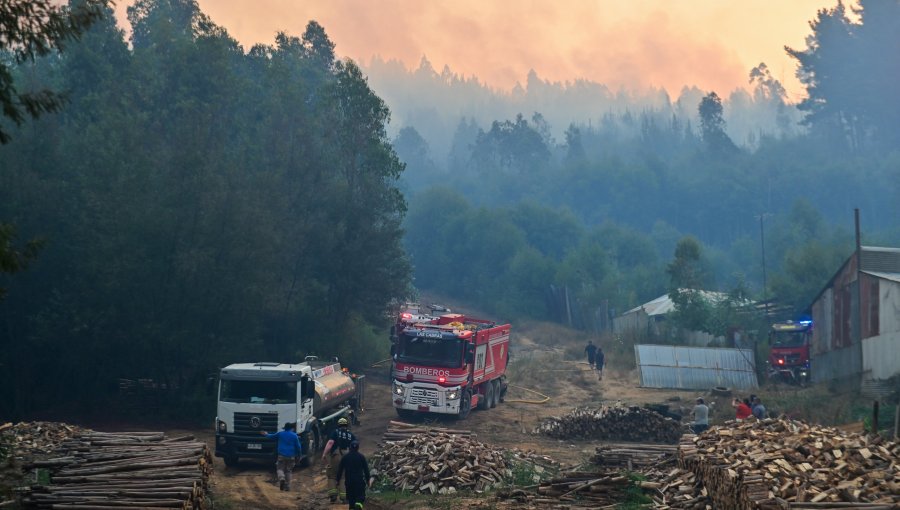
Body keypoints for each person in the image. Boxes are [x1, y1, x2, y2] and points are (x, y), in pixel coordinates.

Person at [259, 422, 303, 491]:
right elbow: (298, 447)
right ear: (291, 428)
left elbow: (271, 436)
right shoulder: (294, 435)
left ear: (285, 428)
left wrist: (266, 434)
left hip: (281, 455)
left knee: (280, 469)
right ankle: (287, 486)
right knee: (288, 471)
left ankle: (282, 478)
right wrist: (299, 455)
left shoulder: (280, 434)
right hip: (291, 456)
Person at [322, 416, 357, 502]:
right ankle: (344, 497)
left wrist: (324, 454)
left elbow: (330, 443)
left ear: (338, 425)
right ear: (346, 425)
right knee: (343, 476)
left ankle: (333, 496)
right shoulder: (351, 435)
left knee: (332, 475)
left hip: (337, 455)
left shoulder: (335, 432)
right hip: (347, 456)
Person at [336, 440, 373, 510]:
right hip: (359, 481)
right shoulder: (361, 457)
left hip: (349, 482)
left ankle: (353, 507)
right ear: (358, 448)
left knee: (351, 500)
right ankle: (358, 505)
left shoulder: (345, 457)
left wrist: (337, 480)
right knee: (360, 497)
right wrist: (368, 480)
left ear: (350, 447)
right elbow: (366, 470)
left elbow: (340, 470)